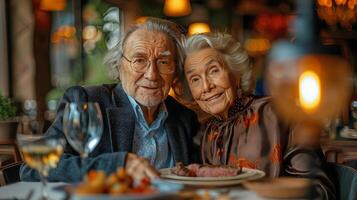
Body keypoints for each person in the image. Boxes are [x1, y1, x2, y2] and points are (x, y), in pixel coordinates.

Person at [20, 18, 199, 182]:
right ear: (119, 66)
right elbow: (34, 166)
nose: (152, 75)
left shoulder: (184, 118)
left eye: (163, 62)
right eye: (139, 60)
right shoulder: (87, 102)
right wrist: (117, 165)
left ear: (175, 72)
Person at [178, 32, 336, 199]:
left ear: (236, 73)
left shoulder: (279, 113)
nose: (206, 86)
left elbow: (318, 190)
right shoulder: (207, 132)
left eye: (213, 71)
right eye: (195, 79)